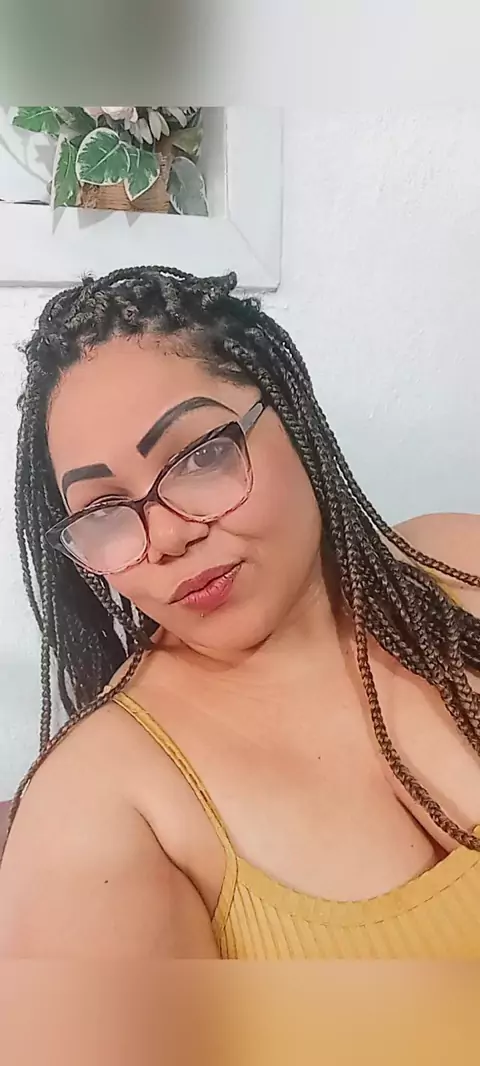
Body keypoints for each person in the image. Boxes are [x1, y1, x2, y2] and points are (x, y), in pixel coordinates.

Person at [1, 265, 480, 960]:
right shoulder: (100, 804)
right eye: (103, 511)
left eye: (200, 457)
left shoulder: (460, 562)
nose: (168, 537)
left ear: (291, 414)